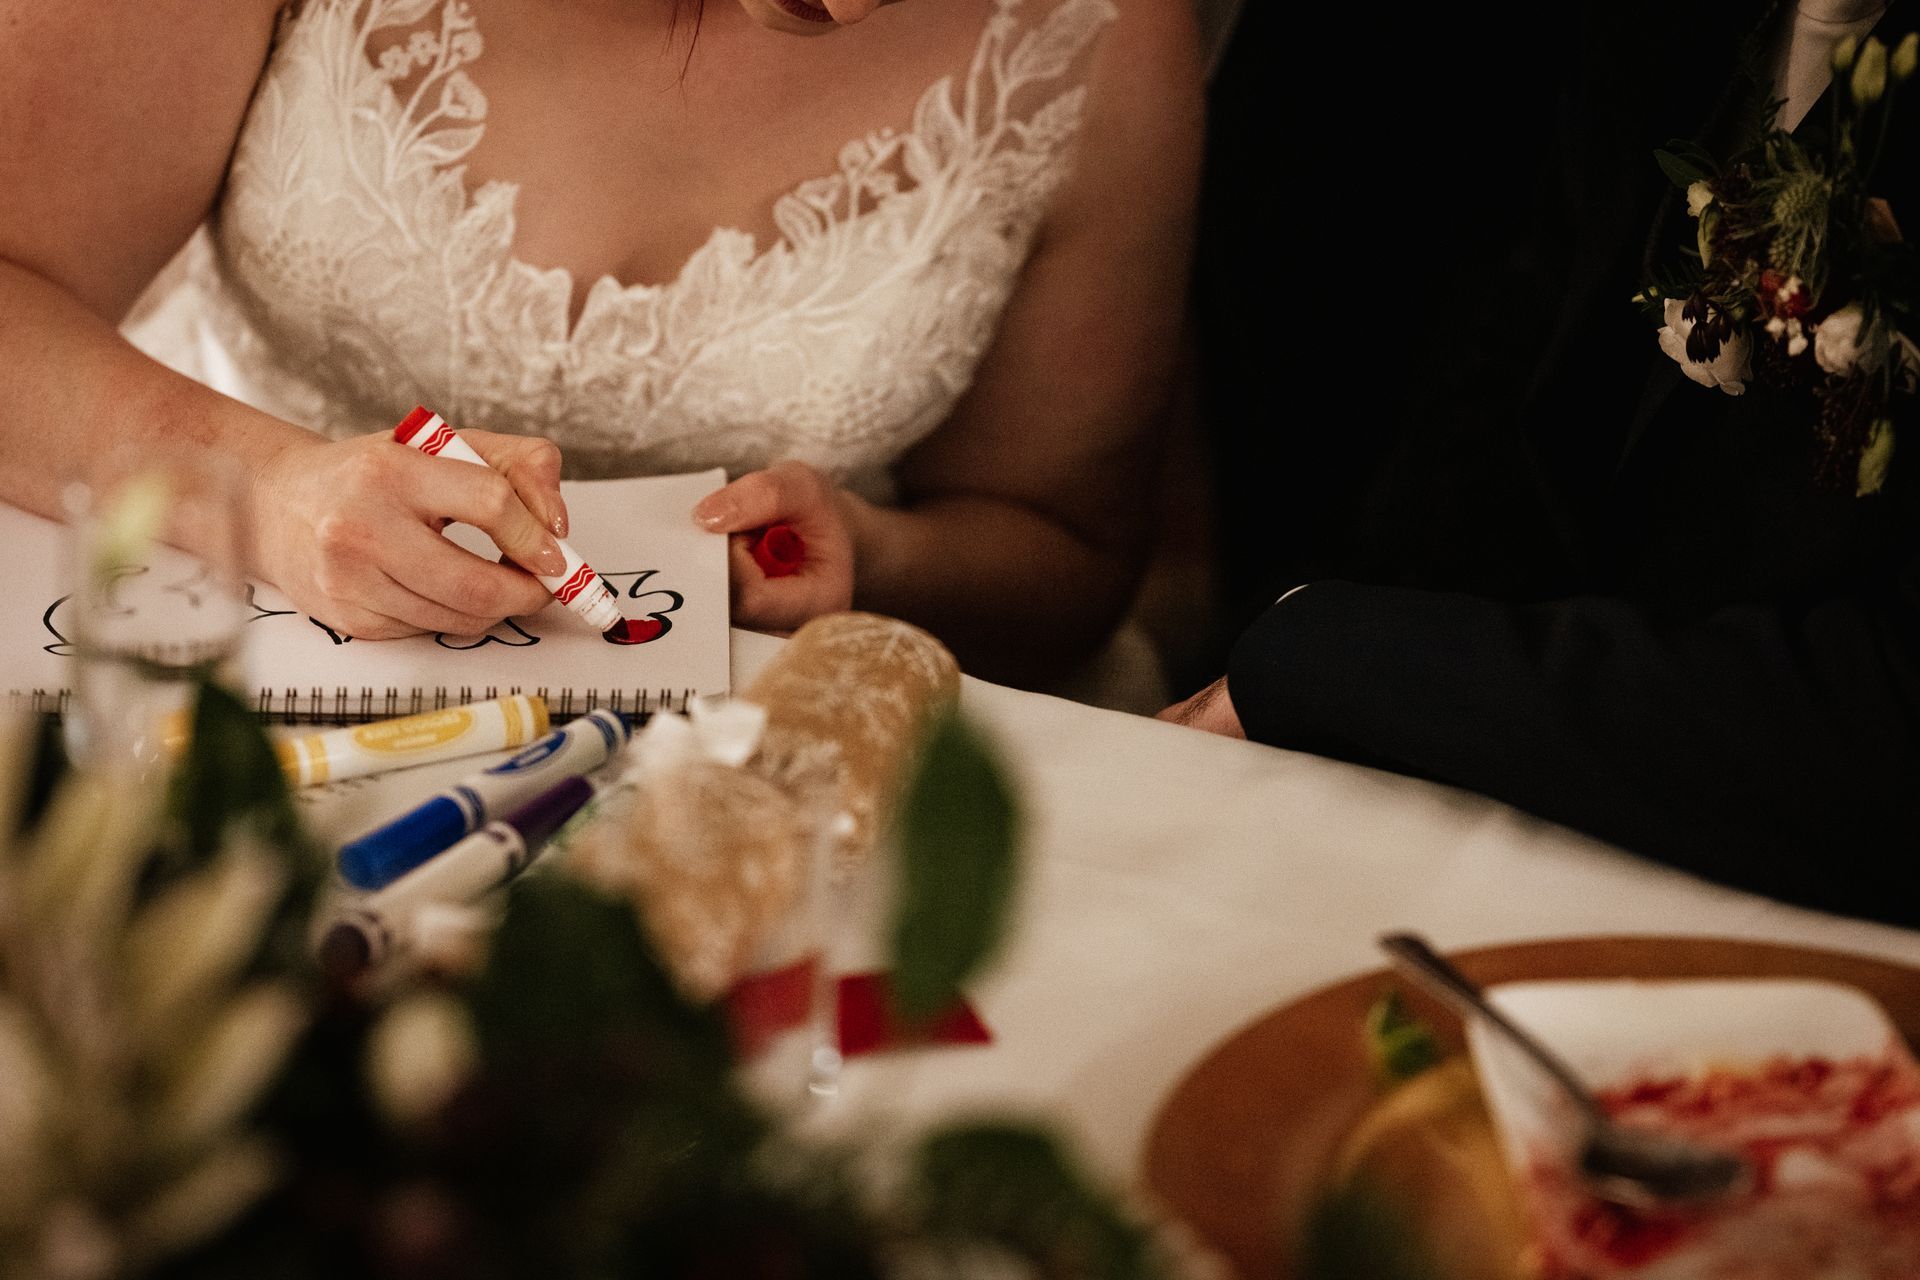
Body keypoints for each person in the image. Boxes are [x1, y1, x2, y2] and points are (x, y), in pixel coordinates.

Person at [0, 0, 1201, 690]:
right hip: (241, 658)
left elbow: (1068, 557)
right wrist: (265, 487)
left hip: (754, 759)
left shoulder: (1099, 37)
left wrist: (877, 561)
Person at [1166, 0, 1920, 928]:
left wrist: (1331, 658)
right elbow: (1525, 399)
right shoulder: (1661, 30)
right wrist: (1289, 651)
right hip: (1566, 806)